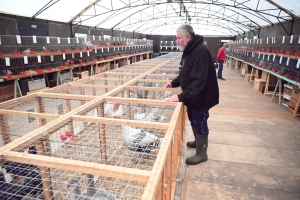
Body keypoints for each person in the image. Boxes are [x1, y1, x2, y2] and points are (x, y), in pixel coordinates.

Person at [164, 25, 219, 165]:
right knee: (193, 119)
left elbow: (199, 82)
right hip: (193, 96)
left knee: (200, 121)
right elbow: (185, 73)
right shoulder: (189, 51)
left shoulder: (200, 52)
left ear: (188, 37)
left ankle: (202, 153)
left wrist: (180, 97)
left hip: (202, 96)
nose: (176, 41)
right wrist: (174, 83)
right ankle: (197, 142)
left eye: (178, 38)